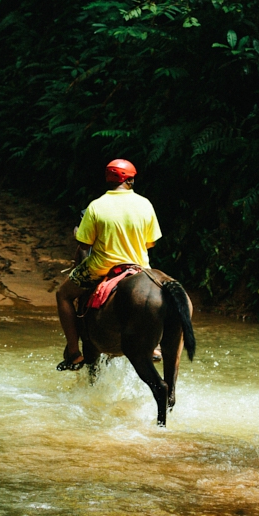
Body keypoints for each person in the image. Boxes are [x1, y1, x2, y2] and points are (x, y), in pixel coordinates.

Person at [55, 159, 162, 371]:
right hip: (139, 268)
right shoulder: (145, 204)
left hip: (100, 267)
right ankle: (155, 346)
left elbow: (84, 244)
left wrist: (78, 233)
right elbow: (151, 242)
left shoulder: (96, 206)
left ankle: (74, 352)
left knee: (63, 295)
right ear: (130, 180)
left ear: (108, 179)